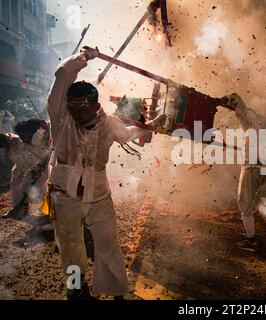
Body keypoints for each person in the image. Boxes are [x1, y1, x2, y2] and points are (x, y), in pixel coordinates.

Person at [46, 46, 166, 300]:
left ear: (97, 105)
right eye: (73, 108)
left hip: (99, 196)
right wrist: (84, 57)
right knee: (71, 249)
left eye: (83, 109)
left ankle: (116, 292)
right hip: (64, 196)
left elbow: (129, 134)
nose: (77, 114)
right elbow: (61, 74)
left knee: (108, 247)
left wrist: (153, 125)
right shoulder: (60, 117)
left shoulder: (109, 122)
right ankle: (78, 290)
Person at [227, 93, 266, 253]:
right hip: (262, 166)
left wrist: (231, 100)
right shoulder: (261, 122)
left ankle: (251, 241)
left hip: (252, 167)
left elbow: (240, 110)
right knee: (248, 199)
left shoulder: (249, 119)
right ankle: (249, 232)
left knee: (244, 201)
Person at [0, 119, 51, 219]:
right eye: (21, 135)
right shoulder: (14, 141)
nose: (23, 138)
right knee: (17, 186)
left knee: (41, 187)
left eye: (24, 135)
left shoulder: (40, 137)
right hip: (24, 168)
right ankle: (19, 209)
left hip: (45, 166)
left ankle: (48, 211)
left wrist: (43, 165)